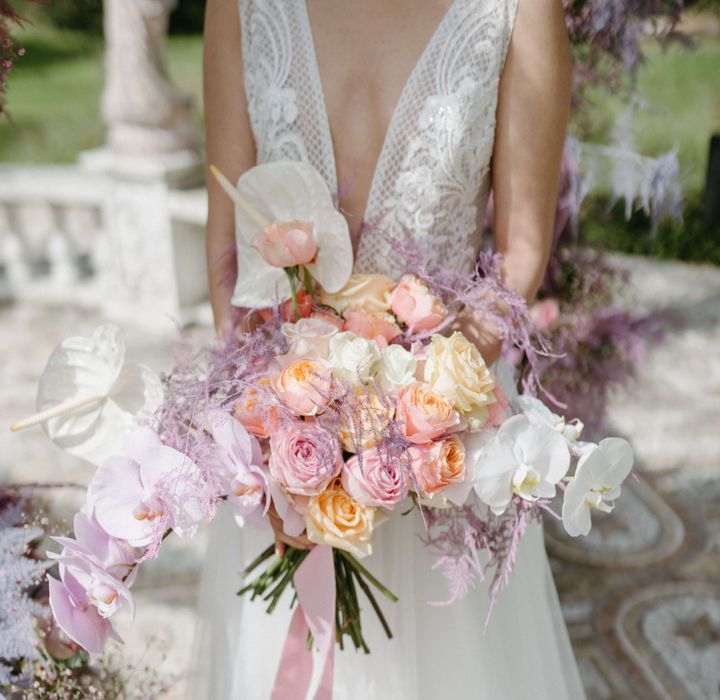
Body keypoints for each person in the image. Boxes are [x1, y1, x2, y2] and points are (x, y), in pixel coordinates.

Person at [192, 1, 586, 697]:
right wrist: (280, 427)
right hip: (287, 440)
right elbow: (226, 235)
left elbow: (521, 249)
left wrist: (418, 405)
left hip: (440, 454)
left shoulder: (519, 9)